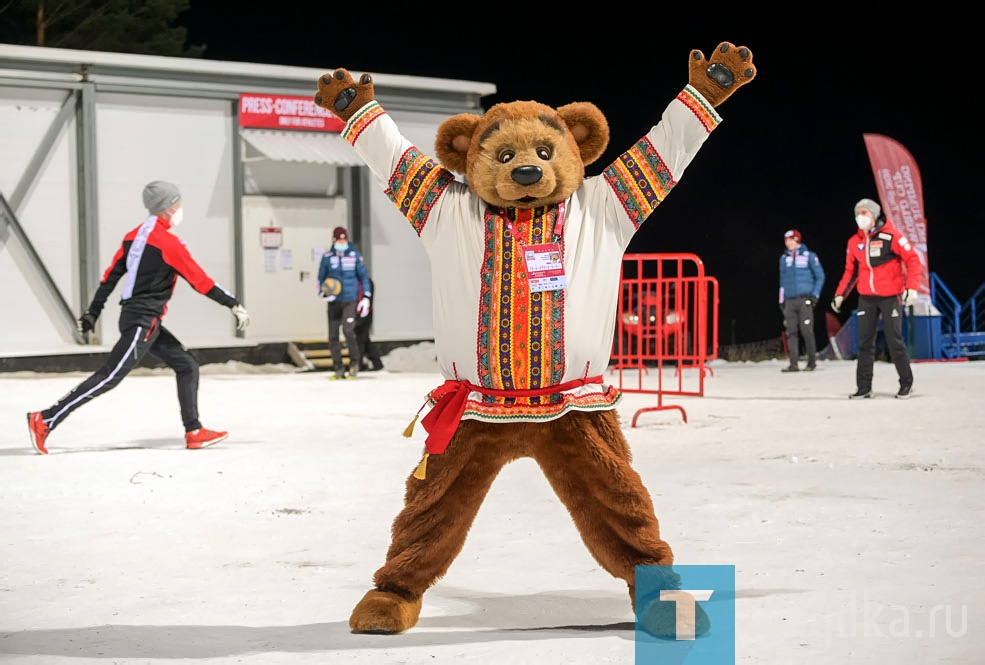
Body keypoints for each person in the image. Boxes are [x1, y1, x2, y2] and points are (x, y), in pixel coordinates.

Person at [26, 181, 251, 454]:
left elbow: (110, 276)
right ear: (167, 208)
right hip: (143, 322)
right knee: (110, 376)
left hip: (141, 320)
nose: (180, 209)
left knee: (187, 364)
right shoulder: (167, 243)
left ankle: (194, 431)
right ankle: (46, 418)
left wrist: (92, 313)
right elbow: (199, 280)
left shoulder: (134, 237)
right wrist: (233, 304)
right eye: (178, 204)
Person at [831, 198, 921, 399]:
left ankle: (906, 383)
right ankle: (864, 387)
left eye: (864, 213)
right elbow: (850, 272)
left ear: (874, 215)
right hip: (867, 297)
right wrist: (840, 295)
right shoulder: (854, 242)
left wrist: (912, 288)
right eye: (857, 213)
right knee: (864, 342)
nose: (860, 217)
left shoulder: (892, 236)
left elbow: (913, 260)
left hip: (890, 296)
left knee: (894, 340)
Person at [317, 226, 371, 379]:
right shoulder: (327, 257)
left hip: (350, 300)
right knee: (333, 335)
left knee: (348, 331)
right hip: (334, 302)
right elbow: (320, 278)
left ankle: (354, 363)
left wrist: (366, 297)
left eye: (344, 239)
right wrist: (322, 293)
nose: (342, 241)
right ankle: (338, 367)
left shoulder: (354, 256)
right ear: (334, 240)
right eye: (339, 239)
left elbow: (364, 277)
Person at [778, 228, 825, 372]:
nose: (788, 243)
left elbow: (820, 276)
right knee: (791, 331)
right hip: (789, 300)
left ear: (797, 240)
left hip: (805, 299)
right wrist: (781, 300)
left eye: (791, 240)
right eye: (786, 240)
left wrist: (814, 295)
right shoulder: (784, 258)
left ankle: (811, 362)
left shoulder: (809, 256)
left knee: (807, 330)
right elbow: (782, 280)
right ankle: (793, 363)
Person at [354, 278, 384, 372]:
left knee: (360, 339)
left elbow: (367, 299)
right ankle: (377, 363)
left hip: (364, 313)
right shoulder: (360, 281)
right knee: (364, 339)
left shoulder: (366, 282)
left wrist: (361, 318)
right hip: (359, 312)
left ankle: (358, 364)